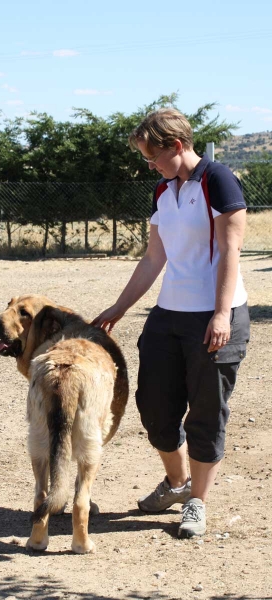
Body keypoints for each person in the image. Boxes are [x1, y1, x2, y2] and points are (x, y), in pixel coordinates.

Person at [92, 108, 250, 538]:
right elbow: (154, 257)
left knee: (205, 413)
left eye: (153, 156)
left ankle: (196, 501)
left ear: (176, 146)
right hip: (169, 315)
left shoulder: (218, 180)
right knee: (156, 409)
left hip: (216, 314)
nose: (150, 166)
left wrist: (220, 314)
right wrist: (119, 306)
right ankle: (178, 485)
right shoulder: (163, 188)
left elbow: (231, 251)